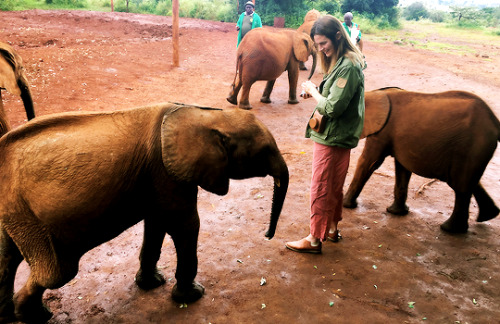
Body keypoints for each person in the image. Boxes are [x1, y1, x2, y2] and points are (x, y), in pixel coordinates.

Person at [285, 15, 365, 254]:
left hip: (332, 136)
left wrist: (312, 90)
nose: (320, 49)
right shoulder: (346, 60)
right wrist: (318, 92)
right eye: (317, 45)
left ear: (338, 36)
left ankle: (313, 239)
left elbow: (332, 108)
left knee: (320, 185)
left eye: (323, 44)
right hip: (341, 135)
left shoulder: (348, 65)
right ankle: (331, 228)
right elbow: (336, 97)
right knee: (334, 184)